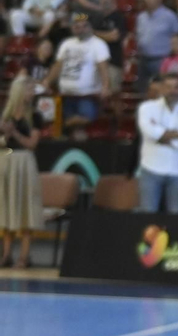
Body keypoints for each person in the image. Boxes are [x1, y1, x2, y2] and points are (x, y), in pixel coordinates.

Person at [0, 74, 44, 269]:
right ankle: (7, 254)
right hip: (5, 161)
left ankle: (24, 256)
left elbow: (32, 144)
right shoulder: (5, 116)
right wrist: (5, 136)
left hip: (24, 163)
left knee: (25, 207)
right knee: (5, 208)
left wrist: (14, 133)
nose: (32, 93)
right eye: (29, 89)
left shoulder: (36, 116)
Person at [136, 73, 178, 214]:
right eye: (168, 87)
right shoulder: (146, 108)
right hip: (151, 169)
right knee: (147, 216)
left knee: (176, 217)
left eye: (176, 87)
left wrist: (161, 135)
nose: (172, 91)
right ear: (162, 88)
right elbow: (149, 133)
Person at [49, 14, 112, 123]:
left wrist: (105, 86)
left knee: (81, 121)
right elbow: (57, 66)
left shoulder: (98, 44)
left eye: (84, 26)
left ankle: (68, 127)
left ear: (90, 28)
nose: (81, 29)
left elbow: (103, 68)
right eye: (77, 27)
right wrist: (47, 81)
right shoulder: (66, 44)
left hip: (86, 96)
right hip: (66, 94)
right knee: (62, 123)